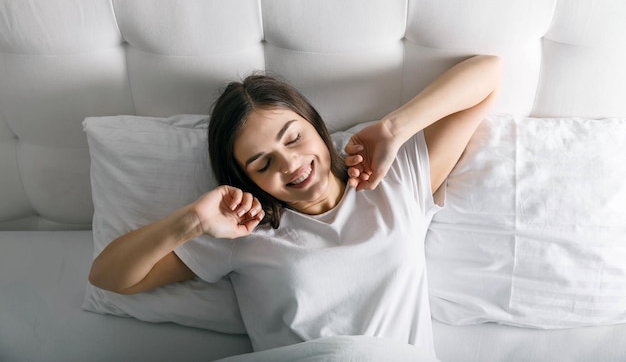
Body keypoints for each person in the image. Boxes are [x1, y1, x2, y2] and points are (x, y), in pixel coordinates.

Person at [89, 55, 502, 355]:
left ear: (315, 124)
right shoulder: (241, 229)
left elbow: (488, 73)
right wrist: (191, 220)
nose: (290, 164)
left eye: (293, 138)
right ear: (246, 178)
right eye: (262, 162)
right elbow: (108, 277)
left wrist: (395, 127)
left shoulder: (395, 179)